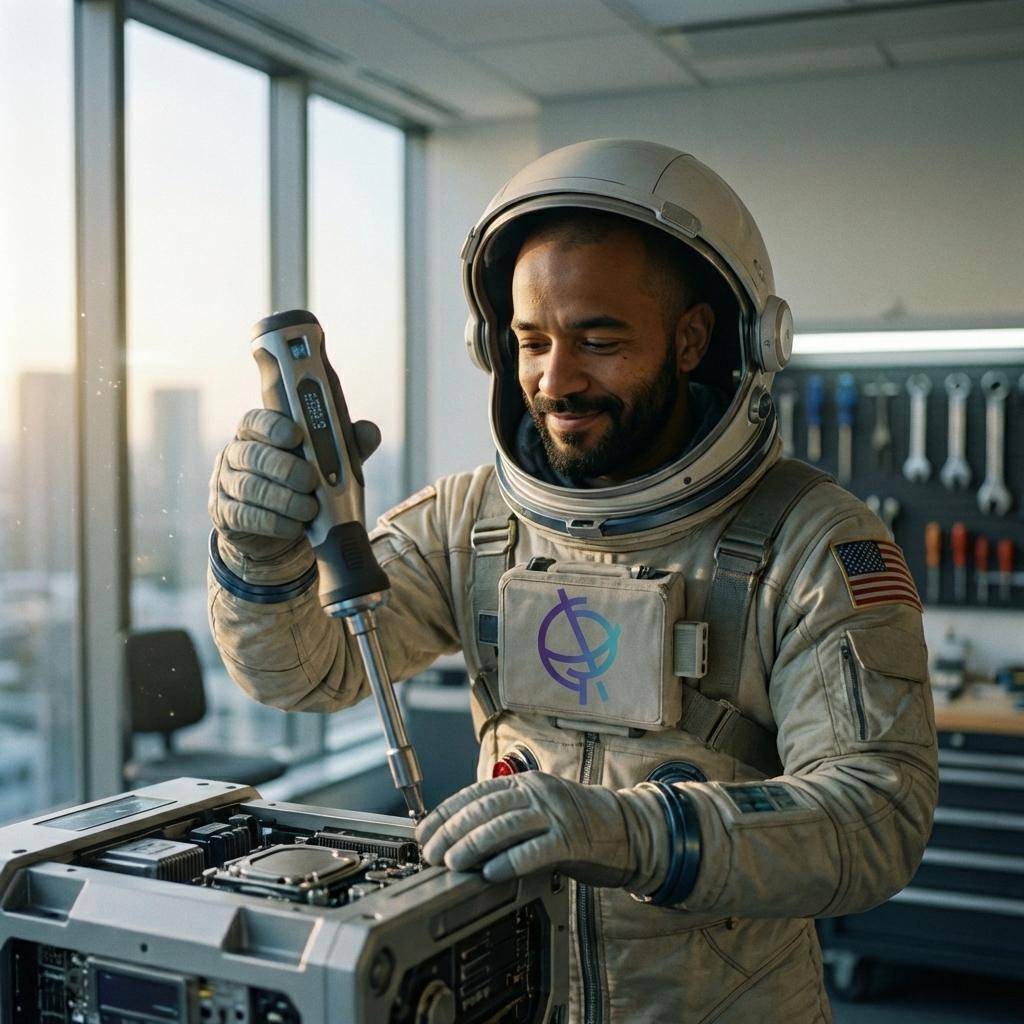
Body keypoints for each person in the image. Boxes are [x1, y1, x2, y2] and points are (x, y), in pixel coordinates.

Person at [207, 139, 938, 1023]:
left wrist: (633, 832)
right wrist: (259, 558)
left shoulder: (810, 540)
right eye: (530, 342)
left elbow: (874, 819)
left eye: (599, 340)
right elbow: (307, 671)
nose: (556, 379)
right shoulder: (471, 523)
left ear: (699, 338)